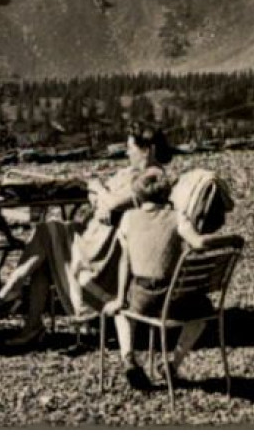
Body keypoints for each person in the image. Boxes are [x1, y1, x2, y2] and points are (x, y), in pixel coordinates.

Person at [0, 128, 178, 347]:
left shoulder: (153, 178)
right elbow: (96, 195)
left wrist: (99, 190)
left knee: (46, 231)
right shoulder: (131, 172)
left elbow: (112, 201)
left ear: (148, 150)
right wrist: (100, 195)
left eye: (130, 148)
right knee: (45, 250)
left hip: (104, 252)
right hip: (94, 235)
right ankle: (30, 324)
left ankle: (13, 288)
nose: (127, 153)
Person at [100, 167, 226, 389]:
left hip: (143, 297)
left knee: (122, 311)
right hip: (175, 298)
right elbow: (198, 243)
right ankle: (172, 364)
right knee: (202, 314)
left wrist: (120, 298)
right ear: (166, 195)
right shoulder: (178, 217)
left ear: (137, 197)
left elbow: (125, 262)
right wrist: (228, 240)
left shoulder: (128, 218)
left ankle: (128, 358)